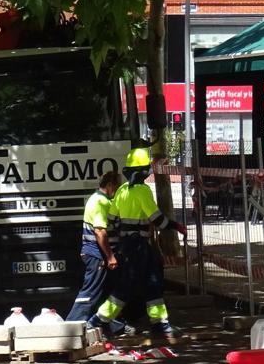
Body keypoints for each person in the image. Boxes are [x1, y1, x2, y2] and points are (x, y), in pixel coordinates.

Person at [88, 144, 186, 340]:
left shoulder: (123, 190)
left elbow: (112, 221)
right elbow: (158, 219)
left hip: (128, 245)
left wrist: (115, 248)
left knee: (152, 282)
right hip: (138, 245)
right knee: (129, 286)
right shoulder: (142, 191)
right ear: (144, 170)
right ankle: (100, 320)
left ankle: (159, 323)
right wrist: (176, 226)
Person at [66, 169, 122, 323]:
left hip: (97, 254)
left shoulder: (99, 199)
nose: (117, 192)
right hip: (97, 255)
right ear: (110, 185)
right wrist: (110, 256)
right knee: (91, 292)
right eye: (117, 188)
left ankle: (113, 325)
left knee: (105, 293)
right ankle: (73, 324)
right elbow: (100, 232)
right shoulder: (100, 202)